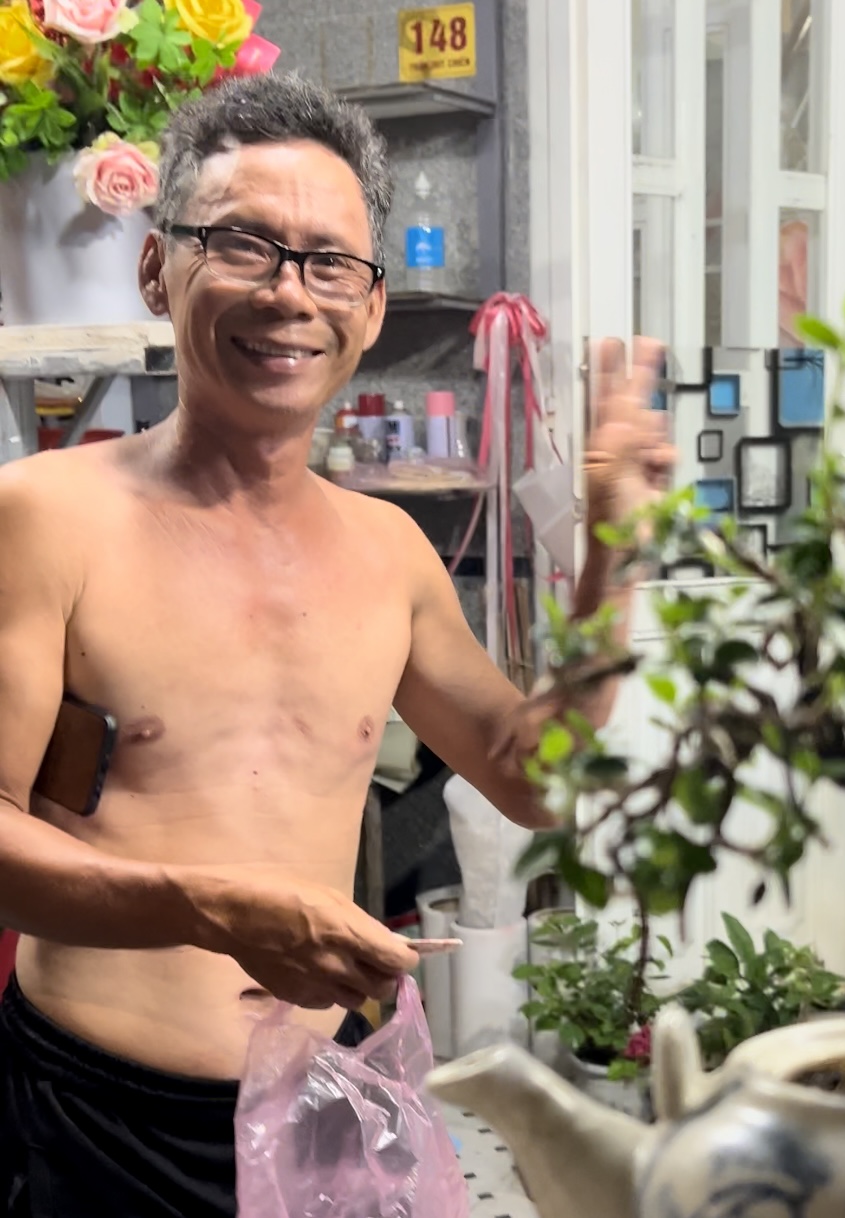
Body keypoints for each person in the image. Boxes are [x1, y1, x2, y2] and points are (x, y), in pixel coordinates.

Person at [0, 73, 670, 1218]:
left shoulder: (388, 551)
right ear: (156, 267)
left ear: (369, 305)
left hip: (327, 1104)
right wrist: (207, 908)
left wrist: (611, 565)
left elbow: (530, 780)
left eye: (328, 264)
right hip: (97, 1120)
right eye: (243, 245)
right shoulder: (44, 518)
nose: (288, 294)